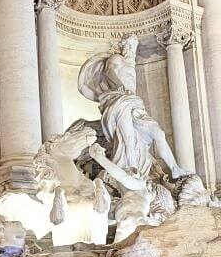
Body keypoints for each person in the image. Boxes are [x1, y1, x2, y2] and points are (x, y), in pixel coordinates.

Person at [78, 34, 188, 180]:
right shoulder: (116, 59)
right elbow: (109, 71)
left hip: (133, 103)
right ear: (122, 47)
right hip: (119, 100)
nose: (131, 49)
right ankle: (132, 170)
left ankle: (175, 169)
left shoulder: (131, 64)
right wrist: (119, 86)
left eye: (133, 45)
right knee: (127, 138)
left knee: (158, 132)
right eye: (129, 45)